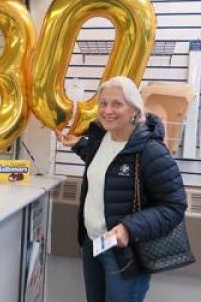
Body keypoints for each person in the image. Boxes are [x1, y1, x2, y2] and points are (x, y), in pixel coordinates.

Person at [57, 76, 187, 302]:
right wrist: (77, 145)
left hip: (125, 255)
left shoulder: (151, 151)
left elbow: (174, 206)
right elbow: (107, 167)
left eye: (117, 103)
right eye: (103, 103)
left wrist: (128, 228)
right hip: (93, 243)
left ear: (134, 110)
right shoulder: (101, 139)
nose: (107, 110)